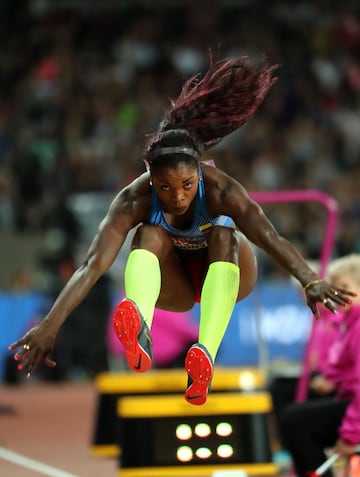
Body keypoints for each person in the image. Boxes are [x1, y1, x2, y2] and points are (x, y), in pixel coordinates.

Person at [8, 55, 355, 406]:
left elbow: (269, 238)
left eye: (188, 185)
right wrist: (50, 324)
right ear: (150, 179)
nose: (178, 197)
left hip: (228, 274)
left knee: (224, 232)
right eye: (165, 187)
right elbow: (90, 267)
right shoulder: (133, 199)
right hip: (174, 286)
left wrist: (310, 279)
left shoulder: (222, 190)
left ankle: (204, 353)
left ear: (199, 173)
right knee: (147, 234)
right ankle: (139, 325)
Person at [279, 253, 360, 477]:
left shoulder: (355, 326)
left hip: (354, 407)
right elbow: (344, 368)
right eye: (335, 289)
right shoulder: (348, 324)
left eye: (344, 287)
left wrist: (350, 436)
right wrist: (332, 378)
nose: (338, 295)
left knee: (295, 421)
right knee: (291, 412)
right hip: (347, 398)